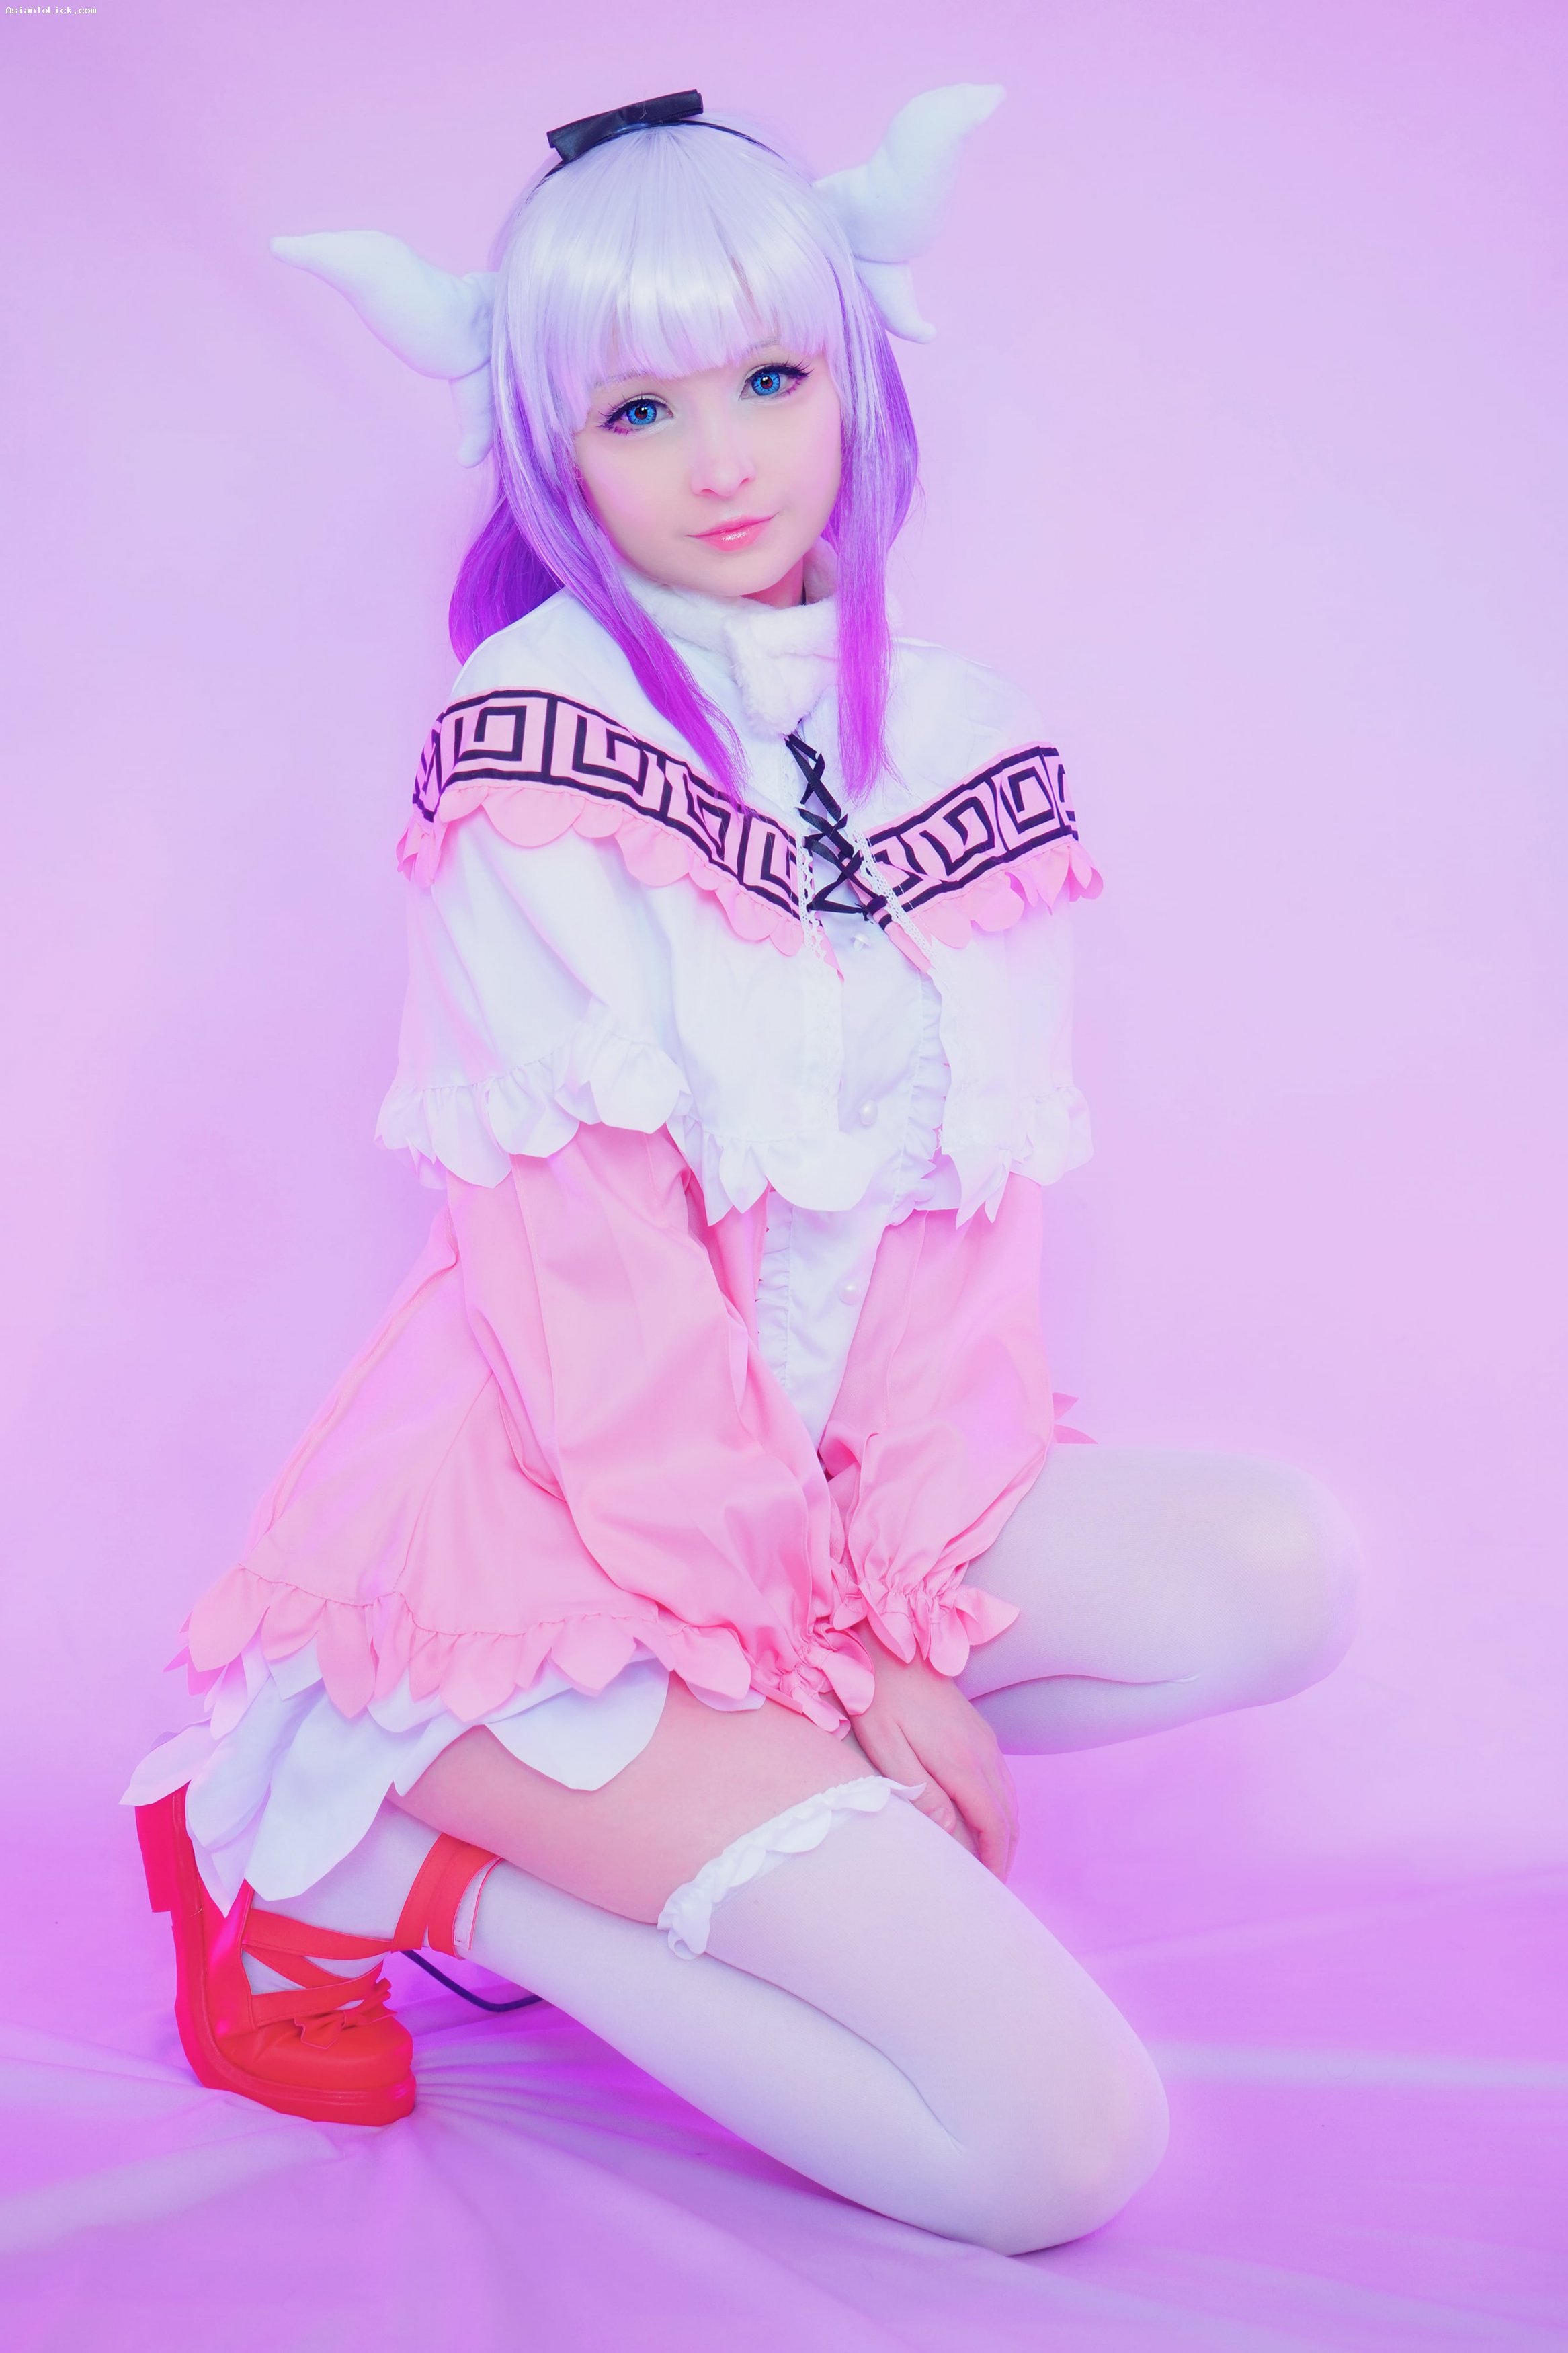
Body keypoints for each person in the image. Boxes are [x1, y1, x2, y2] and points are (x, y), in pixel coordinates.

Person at [124, 87, 1359, 2254]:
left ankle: (667, 1809)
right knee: (1055, 2144)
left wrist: (891, 1597)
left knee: (1278, 1565)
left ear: (855, 374)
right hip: (557, 1533)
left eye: (773, 377)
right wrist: (838, 1671)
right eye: (641, 408)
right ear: (556, 449)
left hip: (816, 1501)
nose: (723, 460)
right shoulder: (532, 738)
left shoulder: (960, 732)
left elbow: (964, 1243)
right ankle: (394, 1848)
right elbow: (593, 1290)